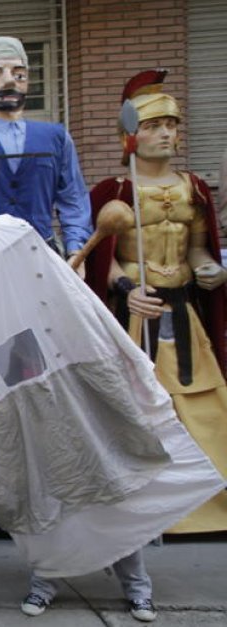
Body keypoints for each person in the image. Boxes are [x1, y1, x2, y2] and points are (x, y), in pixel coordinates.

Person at [0, 119, 222, 605]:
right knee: (35, 494)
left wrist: (135, 372)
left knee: (106, 478)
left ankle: (136, 585)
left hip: (61, 378)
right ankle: (46, 579)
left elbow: (82, 306)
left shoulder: (14, 235)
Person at [85, 70, 227, 534]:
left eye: (172, 123)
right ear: (131, 135)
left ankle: (210, 508)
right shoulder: (114, 191)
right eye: (153, 125)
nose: (166, 132)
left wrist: (211, 270)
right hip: (134, 317)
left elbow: (199, 249)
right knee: (140, 406)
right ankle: (146, 508)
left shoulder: (195, 188)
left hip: (183, 311)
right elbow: (97, 255)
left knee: (203, 403)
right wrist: (126, 289)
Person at [0, 36, 91, 266]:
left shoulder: (56, 138)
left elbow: (73, 199)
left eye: (19, 75)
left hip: (42, 255)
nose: (9, 81)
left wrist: (75, 250)